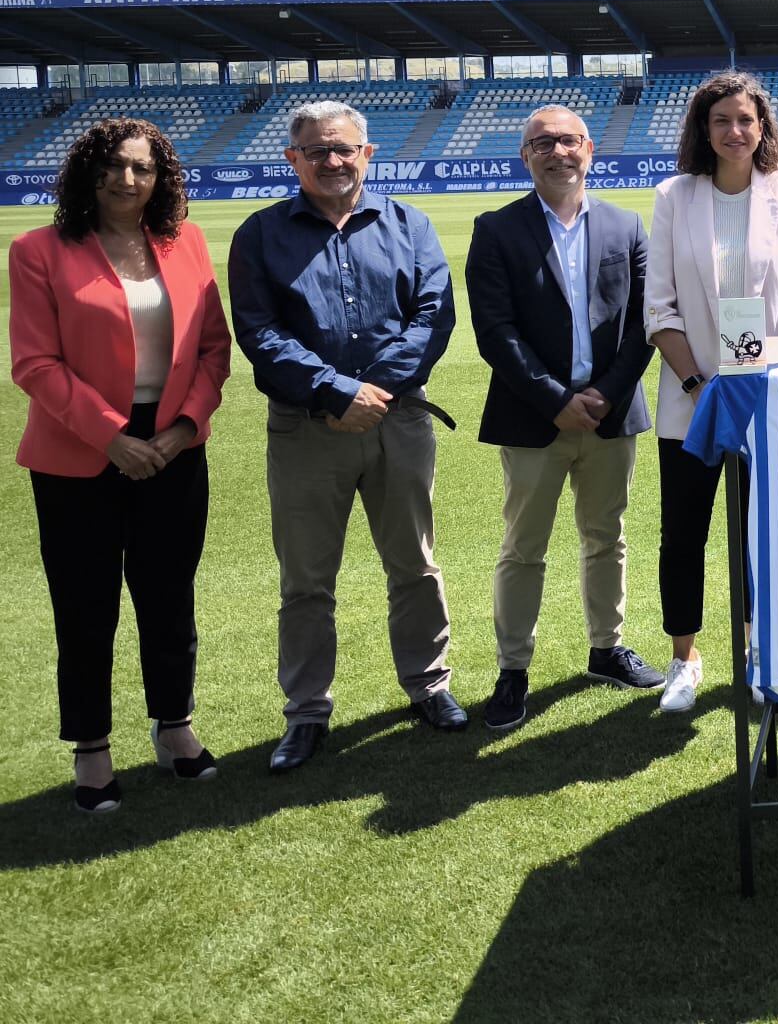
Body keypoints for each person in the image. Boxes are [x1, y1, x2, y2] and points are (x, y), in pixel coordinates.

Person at [228, 100, 462, 773]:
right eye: (317, 150)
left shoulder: (408, 224)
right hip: (306, 430)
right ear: (293, 160)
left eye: (344, 149)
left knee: (414, 565)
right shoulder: (261, 233)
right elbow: (260, 332)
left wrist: (372, 391)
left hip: (400, 422)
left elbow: (432, 316)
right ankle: (306, 712)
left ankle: (429, 685)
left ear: (367, 154)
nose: (332, 160)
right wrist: (335, 392)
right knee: (306, 580)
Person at [10, 119, 231, 813]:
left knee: (169, 597)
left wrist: (183, 428)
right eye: (112, 166)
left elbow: (213, 349)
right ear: (87, 173)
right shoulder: (38, 251)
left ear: (160, 178)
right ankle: (92, 747)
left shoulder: (186, 242)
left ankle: (175, 727)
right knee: (85, 608)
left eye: (141, 168)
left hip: (174, 447)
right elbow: (35, 364)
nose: (126, 179)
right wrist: (112, 438)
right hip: (78, 455)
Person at [467, 105, 660, 732]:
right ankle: (513, 670)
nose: (558, 152)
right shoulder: (496, 229)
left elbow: (642, 323)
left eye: (569, 141)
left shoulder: (626, 225)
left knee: (607, 537)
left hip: (610, 414)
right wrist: (554, 399)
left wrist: (605, 392)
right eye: (542, 143)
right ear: (526, 156)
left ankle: (606, 650)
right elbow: (496, 332)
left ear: (589, 150)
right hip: (533, 418)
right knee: (523, 548)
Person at [645, 72, 778, 715]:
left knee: (765, 535)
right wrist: (700, 383)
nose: (735, 131)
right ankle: (684, 659)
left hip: (770, 404)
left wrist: (764, 384)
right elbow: (659, 311)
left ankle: (758, 652)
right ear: (704, 129)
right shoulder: (673, 196)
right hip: (690, 401)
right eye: (721, 120)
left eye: (746, 119)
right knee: (684, 532)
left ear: (763, 126)